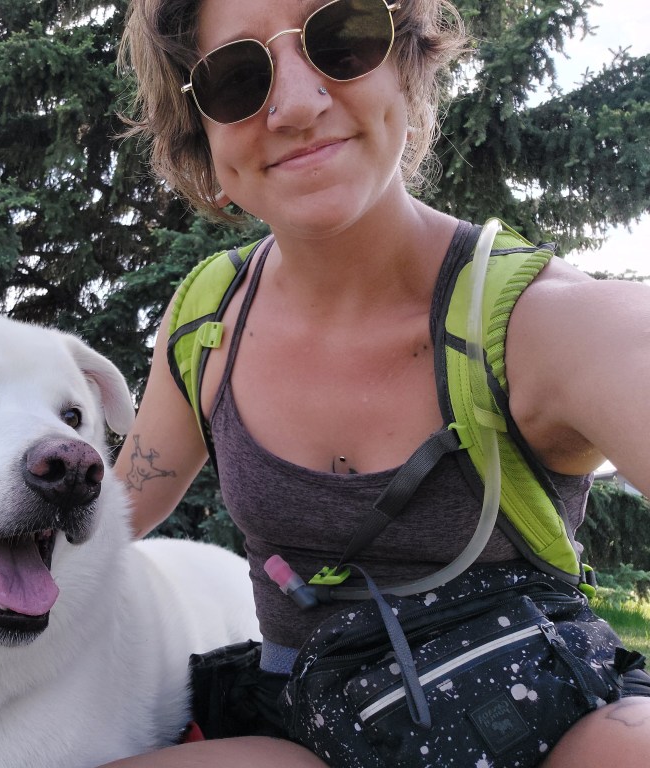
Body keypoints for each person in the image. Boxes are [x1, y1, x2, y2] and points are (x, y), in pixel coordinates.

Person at [104, 0, 650, 765]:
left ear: (408, 65)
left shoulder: (545, 322)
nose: (296, 105)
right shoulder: (207, 321)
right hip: (310, 733)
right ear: (204, 132)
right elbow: (108, 517)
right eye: (237, 78)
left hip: (538, 722)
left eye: (341, 39)